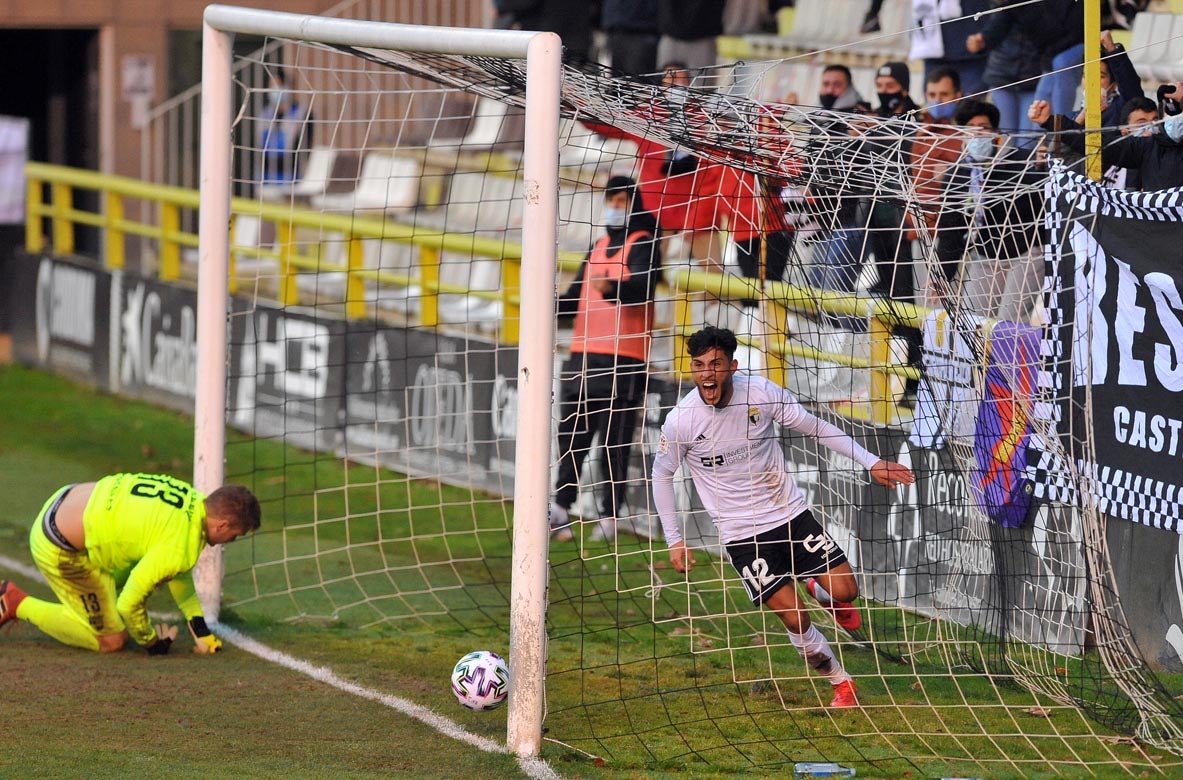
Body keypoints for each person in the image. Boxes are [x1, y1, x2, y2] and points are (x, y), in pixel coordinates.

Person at [651, 326, 916, 708]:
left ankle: (821, 590)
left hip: (789, 514)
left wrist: (871, 462)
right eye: (699, 366)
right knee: (794, 619)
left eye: (715, 364)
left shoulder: (760, 394)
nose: (707, 374)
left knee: (847, 591)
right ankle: (841, 682)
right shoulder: (682, 421)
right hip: (742, 535)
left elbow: (816, 427)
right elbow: (662, 474)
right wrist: (674, 538)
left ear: (732, 366)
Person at [0, 473, 261, 654]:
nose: (231, 540)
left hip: (66, 499)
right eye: (235, 535)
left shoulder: (192, 501)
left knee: (130, 574)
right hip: (58, 547)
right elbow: (129, 604)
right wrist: (151, 642)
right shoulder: (179, 546)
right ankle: (14, 601)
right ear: (222, 525)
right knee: (112, 640)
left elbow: (178, 573)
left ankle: (92, 605)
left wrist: (199, 630)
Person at [549, 176, 662, 543]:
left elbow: (643, 288)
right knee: (573, 436)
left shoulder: (644, 244)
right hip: (582, 355)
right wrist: (545, 303)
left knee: (614, 443)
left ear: (634, 204)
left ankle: (609, 517)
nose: (615, 207)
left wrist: (611, 288)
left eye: (621, 200)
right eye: (610, 200)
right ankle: (560, 509)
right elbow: (572, 300)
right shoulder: (597, 246)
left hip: (623, 359)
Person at [934, 100, 1044, 321]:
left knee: (1008, 322)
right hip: (987, 254)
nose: (978, 134)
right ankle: (981, 357)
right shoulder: (958, 174)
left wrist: (1044, 165)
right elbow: (951, 229)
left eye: (983, 127)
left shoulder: (1023, 162)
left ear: (996, 132)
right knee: (973, 320)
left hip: (1027, 253)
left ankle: (1012, 356)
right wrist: (942, 275)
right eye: (971, 128)